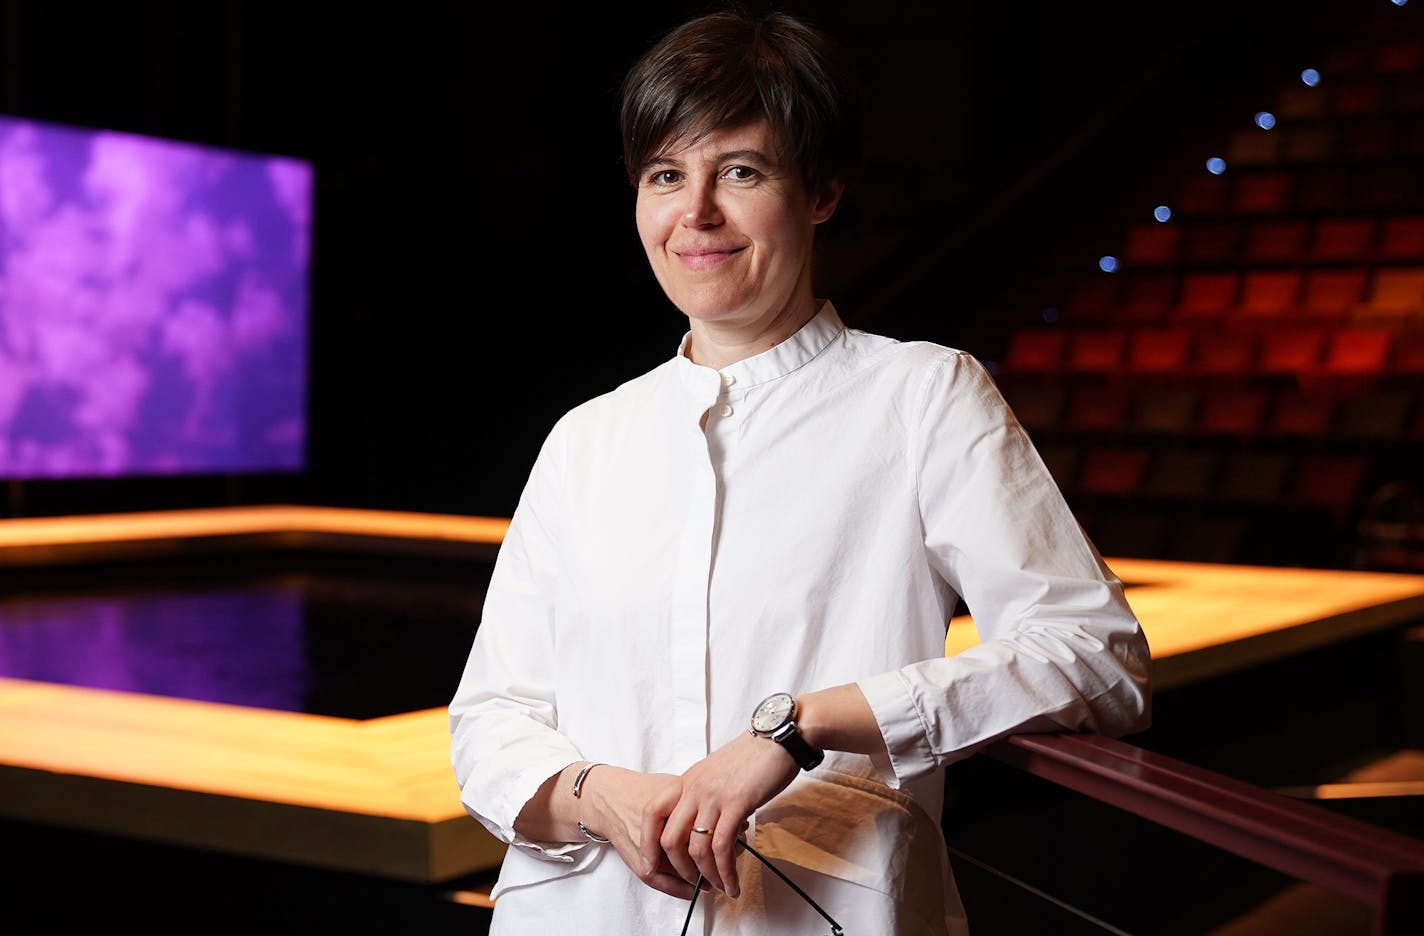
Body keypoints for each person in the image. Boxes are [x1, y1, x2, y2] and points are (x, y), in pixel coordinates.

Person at [448, 6, 1152, 934]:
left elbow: (1095, 660)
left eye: (740, 171)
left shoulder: (920, 393)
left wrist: (798, 726)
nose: (695, 213)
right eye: (666, 175)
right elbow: (490, 714)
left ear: (821, 192)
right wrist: (593, 792)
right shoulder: (587, 436)